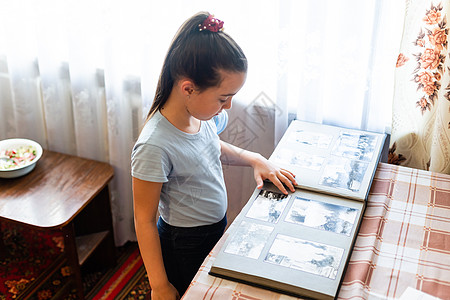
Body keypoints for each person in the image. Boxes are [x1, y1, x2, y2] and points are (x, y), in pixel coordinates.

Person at [131, 12, 297, 300]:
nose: (229, 106)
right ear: (188, 88)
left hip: (213, 228)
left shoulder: (200, 116)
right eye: (223, 98)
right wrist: (158, 285)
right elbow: (143, 220)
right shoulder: (154, 146)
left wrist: (254, 158)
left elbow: (212, 149)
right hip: (184, 243)